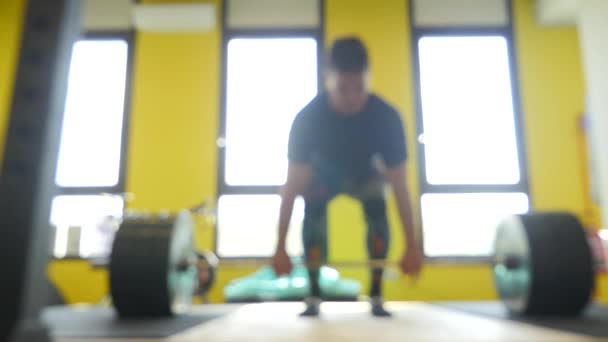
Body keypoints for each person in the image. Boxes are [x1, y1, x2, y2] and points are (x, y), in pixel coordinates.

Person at [271, 37, 423, 317]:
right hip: (323, 177)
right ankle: (314, 293)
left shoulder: (387, 117)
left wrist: (413, 247)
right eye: (343, 89)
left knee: (378, 203)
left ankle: (376, 292)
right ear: (327, 79)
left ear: (369, 77)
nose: (352, 97)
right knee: (312, 206)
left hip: (366, 175)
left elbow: (401, 188)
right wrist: (280, 248)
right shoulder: (308, 119)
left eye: (360, 88)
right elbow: (291, 188)